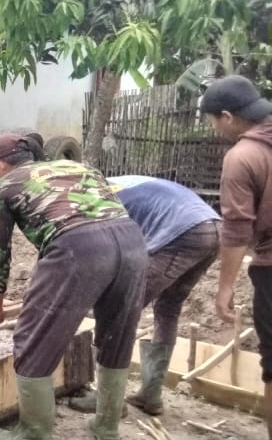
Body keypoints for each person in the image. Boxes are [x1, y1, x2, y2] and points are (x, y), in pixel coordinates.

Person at [0, 134, 145, 440]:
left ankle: (32, 432)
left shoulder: (5, 185)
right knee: (116, 334)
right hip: (133, 242)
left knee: (33, 338)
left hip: (78, 248)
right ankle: (107, 427)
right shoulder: (82, 169)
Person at [68, 175, 219, 416]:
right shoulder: (113, 183)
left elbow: (103, 249)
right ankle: (150, 395)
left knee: (119, 311)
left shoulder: (89, 196)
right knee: (168, 308)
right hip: (210, 228)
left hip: (182, 231)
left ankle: (109, 401)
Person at [201, 75, 272, 436]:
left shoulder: (243, 157)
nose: (215, 128)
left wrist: (224, 286)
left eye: (213, 121)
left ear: (227, 116)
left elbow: (237, 228)